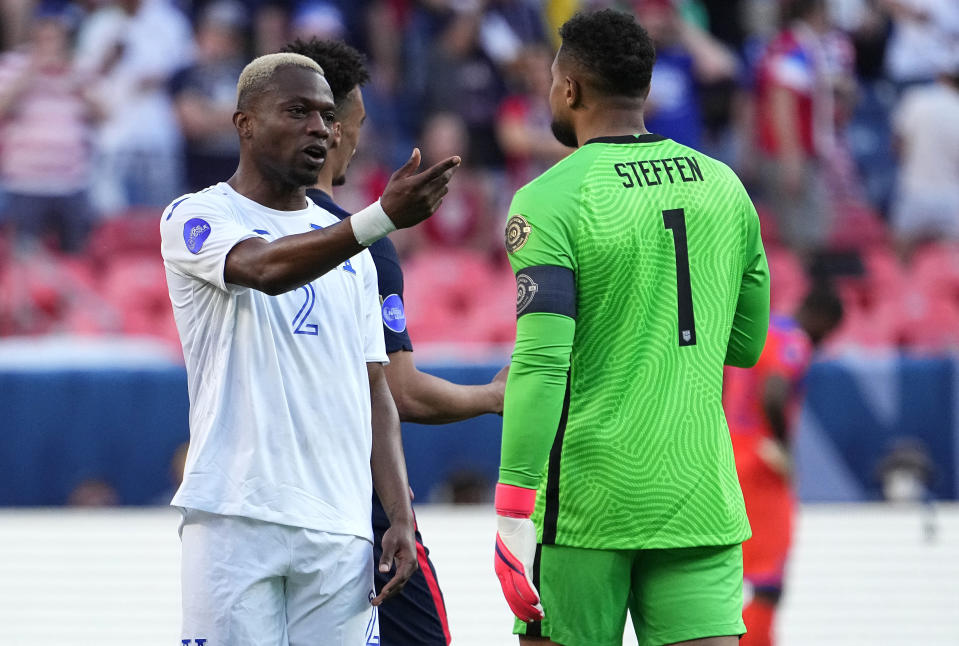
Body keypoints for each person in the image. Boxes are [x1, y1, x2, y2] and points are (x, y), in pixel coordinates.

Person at [159, 52, 461, 644]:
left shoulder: (358, 258)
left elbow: (377, 390)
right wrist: (377, 221)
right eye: (297, 111)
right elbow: (262, 268)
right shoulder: (197, 215)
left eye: (326, 115)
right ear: (244, 122)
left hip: (341, 529)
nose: (320, 128)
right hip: (234, 516)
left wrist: (400, 517)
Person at [492, 9, 770, 646]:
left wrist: (512, 509)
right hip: (700, 494)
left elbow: (540, 362)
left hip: (587, 505)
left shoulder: (551, 197)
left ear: (570, 89)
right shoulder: (726, 187)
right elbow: (747, 346)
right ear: (643, 89)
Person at [281, 37, 508, 646]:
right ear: (334, 128)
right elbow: (399, 391)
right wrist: (491, 397)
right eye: (357, 124)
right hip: (357, 496)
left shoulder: (242, 235)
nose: (357, 138)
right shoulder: (360, 240)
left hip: (270, 498)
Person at [723, 285, 843, 646]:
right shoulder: (795, 341)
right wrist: (784, 449)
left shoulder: (763, 329)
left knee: (727, 574)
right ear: (823, 320)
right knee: (769, 581)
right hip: (761, 463)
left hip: (728, 455)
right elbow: (775, 393)